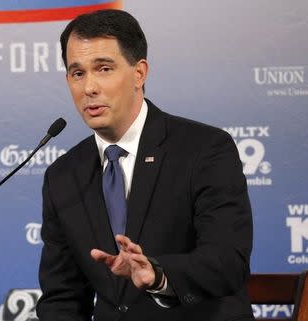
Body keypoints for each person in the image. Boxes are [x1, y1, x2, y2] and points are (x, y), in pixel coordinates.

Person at [37, 9, 253, 321]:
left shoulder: (204, 150)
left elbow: (227, 261)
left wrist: (159, 275)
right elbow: (62, 298)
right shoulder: (63, 175)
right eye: (78, 73)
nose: (89, 88)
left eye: (104, 69)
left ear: (140, 73)